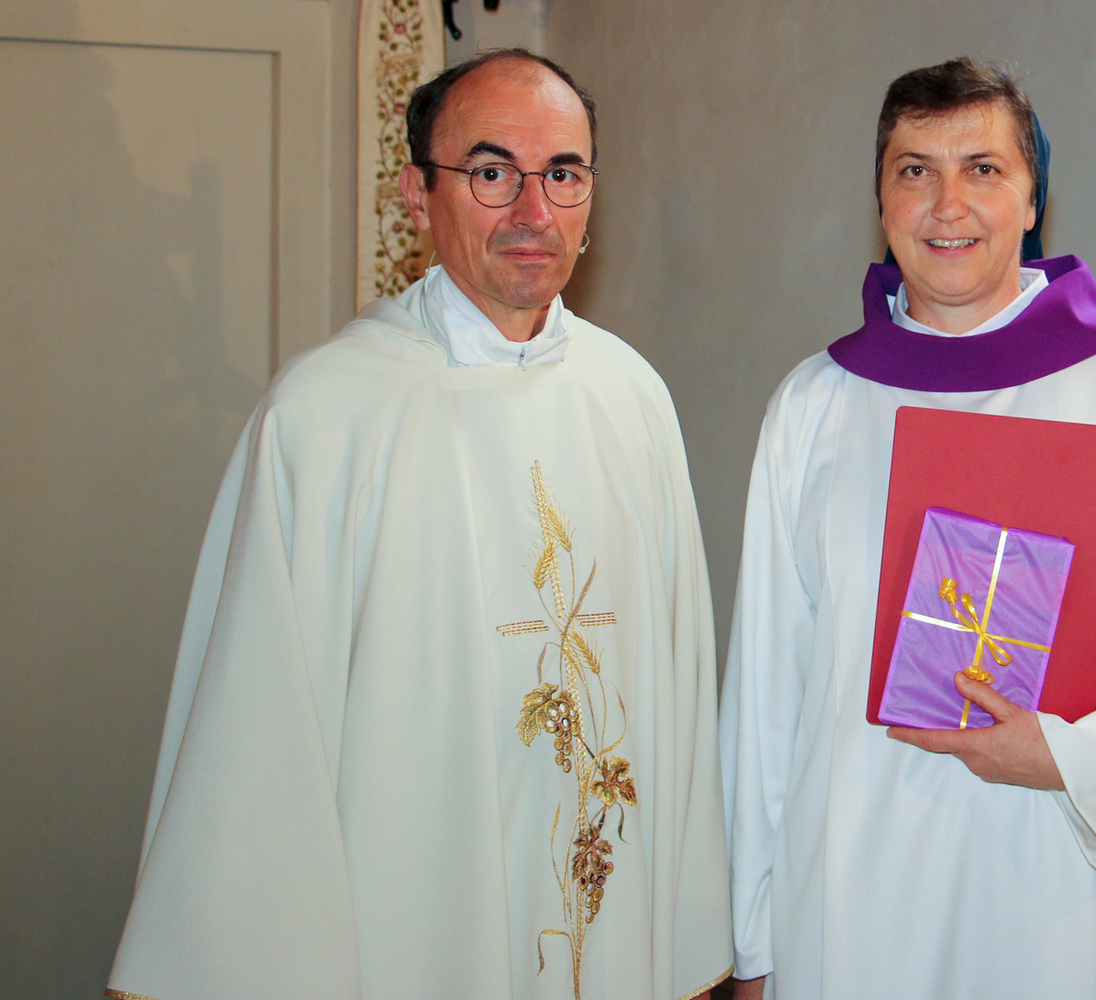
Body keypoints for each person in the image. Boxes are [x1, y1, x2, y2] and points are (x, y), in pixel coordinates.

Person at [107, 49, 731, 1000]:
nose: (533, 211)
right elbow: (259, 740)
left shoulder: (633, 398)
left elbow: (678, 700)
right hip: (409, 931)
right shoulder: (324, 420)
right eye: (492, 172)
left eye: (563, 174)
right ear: (416, 193)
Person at [720, 57, 1096, 999]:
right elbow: (766, 691)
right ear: (881, 202)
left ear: (1032, 200)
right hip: (864, 890)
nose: (949, 204)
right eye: (915, 170)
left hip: (1073, 885)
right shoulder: (815, 409)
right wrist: (753, 944)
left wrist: (1072, 756)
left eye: (983, 169)